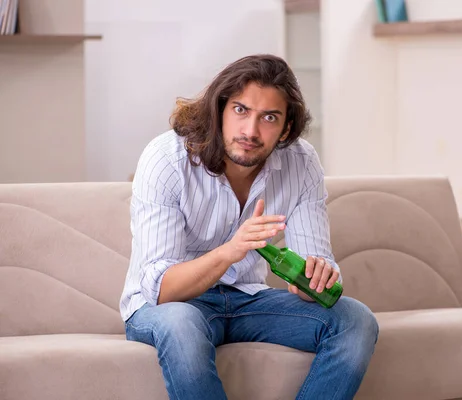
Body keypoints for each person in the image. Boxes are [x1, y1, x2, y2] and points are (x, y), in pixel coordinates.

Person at [120, 54, 379, 400]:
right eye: (241, 110)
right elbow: (162, 290)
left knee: (355, 320)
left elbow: (312, 262)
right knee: (183, 324)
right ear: (221, 110)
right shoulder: (166, 159)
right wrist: (230, 251)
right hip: (166, 307)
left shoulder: (301, 163)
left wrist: (313, 278)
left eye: (269, 118)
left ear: (286, 127)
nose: (251, 131)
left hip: (246, 300)